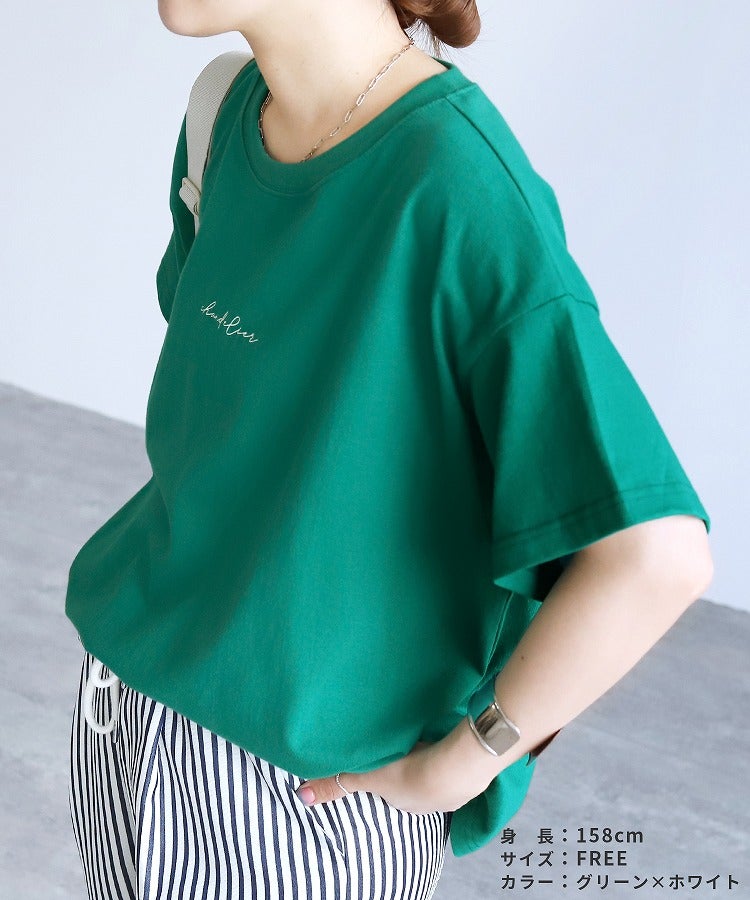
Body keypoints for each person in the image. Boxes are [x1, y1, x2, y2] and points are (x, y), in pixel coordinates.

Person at [65, 1, 714, 898]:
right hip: (122, 702)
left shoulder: (460, 192)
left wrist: (470, 758)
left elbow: (655, 554)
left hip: (296, 801)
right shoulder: (221, 113)